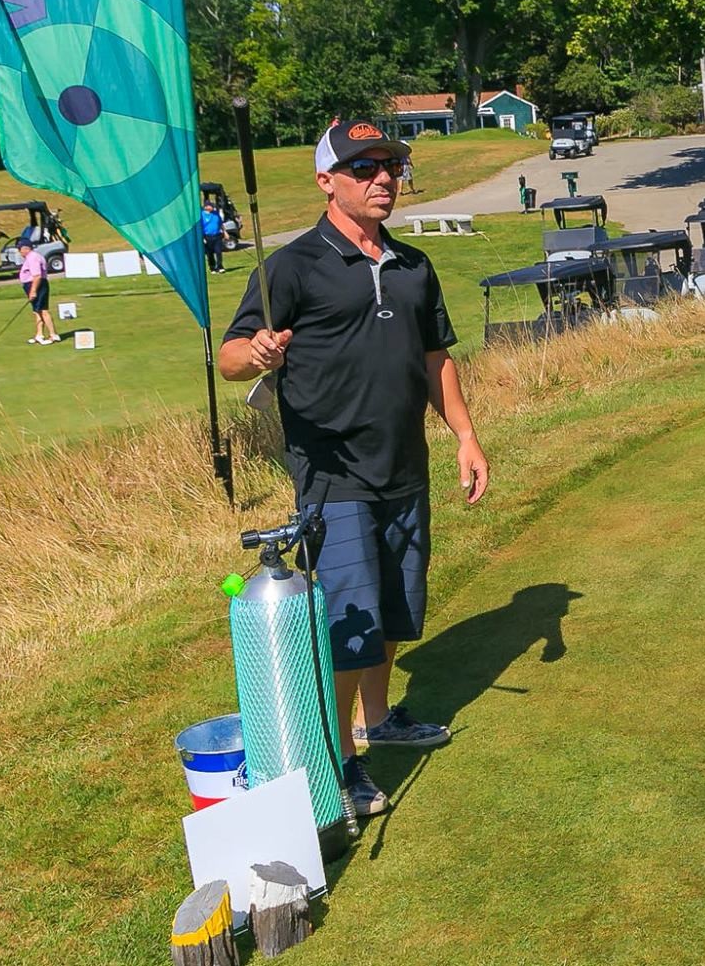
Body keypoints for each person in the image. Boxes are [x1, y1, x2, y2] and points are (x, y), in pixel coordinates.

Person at [217, 119, 491, 819]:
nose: (382, 180)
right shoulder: (292, 266)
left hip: (405, 463)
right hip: (332, 473)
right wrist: (258, 354)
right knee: (349, 618)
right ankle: (340, 762)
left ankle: (380, 717)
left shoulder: (413, 266)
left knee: (395, 604)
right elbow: (229, 357)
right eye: (364, 168)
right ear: (326, 181)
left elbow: (436, 360)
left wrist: (464, 435)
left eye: (389, 167)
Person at [16, 236, 59, 344]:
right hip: (34, 285)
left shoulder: (33, 257)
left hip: (37, 285)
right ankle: (39, 335)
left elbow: (37, 276)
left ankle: (53, 335)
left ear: (26, 248)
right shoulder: (32, 257)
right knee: (36, 311)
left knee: (43, 310)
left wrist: (33, 290)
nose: (20, 252)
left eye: (20, 249)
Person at [200, 196, 225, 274]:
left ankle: (220, 266)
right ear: (206, 207)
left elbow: (220, 223)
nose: (212, 208)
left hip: (217, 235)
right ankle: (212, 267)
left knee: (218, 251)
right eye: (211, 206)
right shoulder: (201, 215)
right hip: (207, 236)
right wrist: (202, 237)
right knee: (209, 253)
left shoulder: (216, 214)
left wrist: (225, 232)